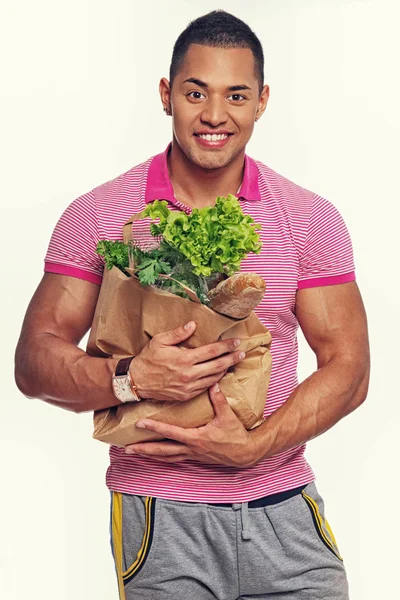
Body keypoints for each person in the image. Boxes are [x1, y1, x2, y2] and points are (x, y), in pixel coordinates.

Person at [14, 9, 370, 600]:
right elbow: (33, 364)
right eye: (195, 92)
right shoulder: (100, 214)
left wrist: (256, 444)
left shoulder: (308, 217)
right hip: (160, 514)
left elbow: (350, 371)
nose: (213, 115)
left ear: (261, 102)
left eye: (236, 95)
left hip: (285, 509)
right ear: (166, 94)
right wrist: (132, 378)